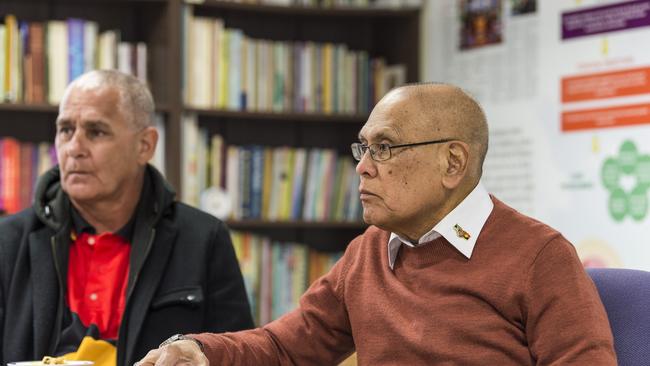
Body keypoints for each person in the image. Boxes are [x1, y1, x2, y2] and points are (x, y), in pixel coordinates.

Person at [137, 83, 616, 365]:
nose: (363, 166)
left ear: (453, 163)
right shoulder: (369, 251)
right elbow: (287, 347)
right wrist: (200, 349)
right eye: (362, 148)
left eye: (384, 148)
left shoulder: (539, 256)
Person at [0, 70, 254, 366]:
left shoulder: (203, 239)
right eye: (66, 130)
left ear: (145, 145)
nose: (74, 148)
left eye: (96, 132)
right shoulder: (8, 241)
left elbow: (236, 356)